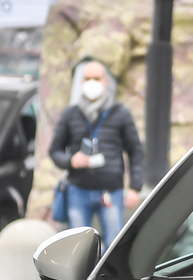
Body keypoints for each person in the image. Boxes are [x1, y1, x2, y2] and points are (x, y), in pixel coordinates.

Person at [48, 60, 144, 247]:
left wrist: (134, 187)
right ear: (81, 82)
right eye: (87, 78)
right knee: (79, 246)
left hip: (111, 191)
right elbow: (54, 151)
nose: (92, 83)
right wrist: (71, 160)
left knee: (113, 244)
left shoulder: (120, 113)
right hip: (78, 190)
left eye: (96, 78)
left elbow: (135, 151)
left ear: (105, 81)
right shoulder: (70, 114)